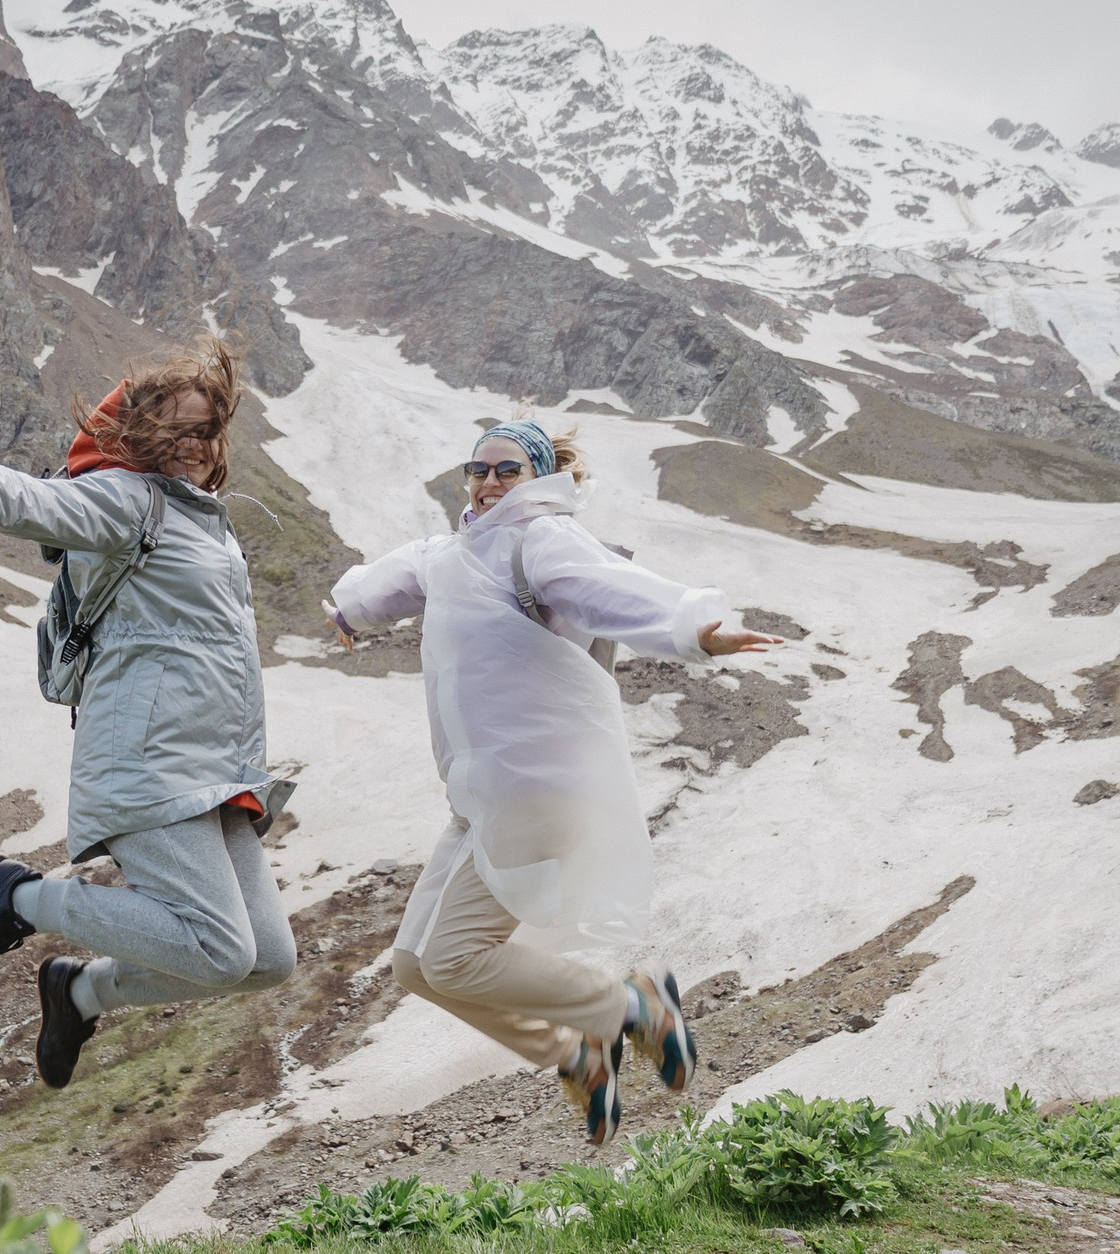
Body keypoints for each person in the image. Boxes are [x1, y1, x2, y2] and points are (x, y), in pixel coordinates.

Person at [323, 419, 782, 1144]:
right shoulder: (453, 553)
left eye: (508, 470)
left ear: (537, 478)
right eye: (479, 468)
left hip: (539, 787)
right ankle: (573, 1053)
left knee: (454, 957)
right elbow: (392, 580)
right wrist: (347, 611)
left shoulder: (541, 541)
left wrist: (694, 627)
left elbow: (609, 592)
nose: (489, 482)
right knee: (416, 966)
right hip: (478, 796)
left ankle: (632, 1007)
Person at [0, 337, 293, 1088]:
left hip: (212, 769)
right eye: (176, 430)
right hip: (150, 760)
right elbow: (42, 502)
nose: (193, 444)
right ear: (139, 436)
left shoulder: (204, 519)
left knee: (265, 960)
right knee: (222, 950)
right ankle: (22, 898)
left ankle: (79, 990)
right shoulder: (127, 500)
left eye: (206, 429)